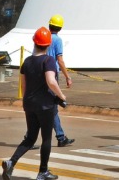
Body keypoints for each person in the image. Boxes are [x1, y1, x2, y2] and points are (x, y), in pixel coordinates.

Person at [2, 27, 68, 180]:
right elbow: (51, 81)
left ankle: (11, 162)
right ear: (48, 44)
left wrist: (26, 101)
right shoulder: (48, 60)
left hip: (29, 104)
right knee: (46, 138)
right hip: (45, 105)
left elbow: (23, 86)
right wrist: (62, 96)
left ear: (34, 42)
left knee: (30, 138)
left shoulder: (27, 61)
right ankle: (43, 171)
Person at [46, 15, 74, 146]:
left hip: (40, 73)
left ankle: (60, 136)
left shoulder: (44, 37)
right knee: (52, 108)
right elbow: (60, 60)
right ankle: (61, 137)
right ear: (60, 28)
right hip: (52, 73)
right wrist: (68, 77)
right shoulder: (57, 40)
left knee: (42, 106)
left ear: (49, 25)